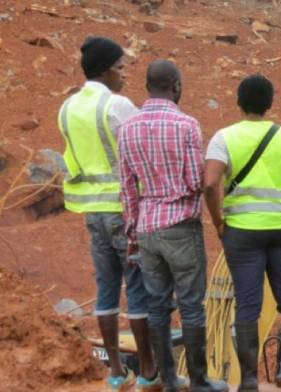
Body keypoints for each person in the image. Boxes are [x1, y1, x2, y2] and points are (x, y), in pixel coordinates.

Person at [204, 74, 281, 392]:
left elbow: (209, 184)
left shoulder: (224, 138)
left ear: (238, 102)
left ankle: (248, 380)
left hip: (243, 234)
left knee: (247, 304)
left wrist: (218, 222)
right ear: (270, 104)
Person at [119, 60, 229, 392]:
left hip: (146, 228)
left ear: (147, 86)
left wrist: (133, 234)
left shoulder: (127, 128)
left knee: (157, 305)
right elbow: (195, 181)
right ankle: (198, 380)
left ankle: (167, 379)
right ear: (176, 85)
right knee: (191, 304)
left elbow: (126, 188)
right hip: (181, 225)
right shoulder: (187, 125)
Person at [57, 36, 157, 391]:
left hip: (92, 211)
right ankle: (148, 370)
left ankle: (116, 371)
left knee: (106, 288)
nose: (124, 75)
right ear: (104, 71)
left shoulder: (67, 108)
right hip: (124, 209)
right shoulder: (118, 106)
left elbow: (73, 158)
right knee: (139, 287)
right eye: (119, 68)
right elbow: (142, 152)